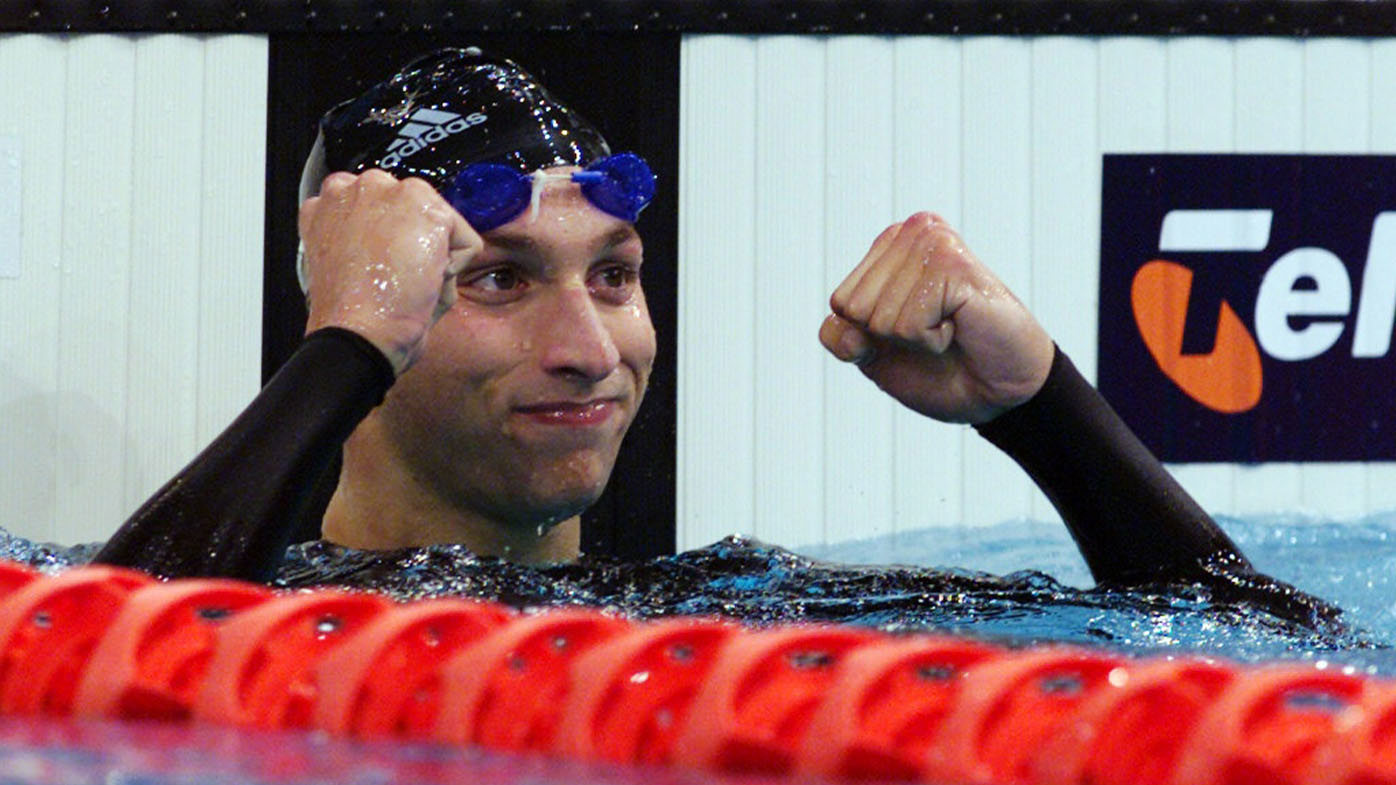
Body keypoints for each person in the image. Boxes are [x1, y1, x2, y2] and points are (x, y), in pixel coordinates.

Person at [88, 48, 1317, 624]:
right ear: (372, 305)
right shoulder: (258, 607)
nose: (589, 348)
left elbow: (1250, 644)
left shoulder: (714, 607)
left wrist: (1041, 409)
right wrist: (346, 342)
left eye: (614, 277)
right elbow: (94, 654)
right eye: (500, 282)